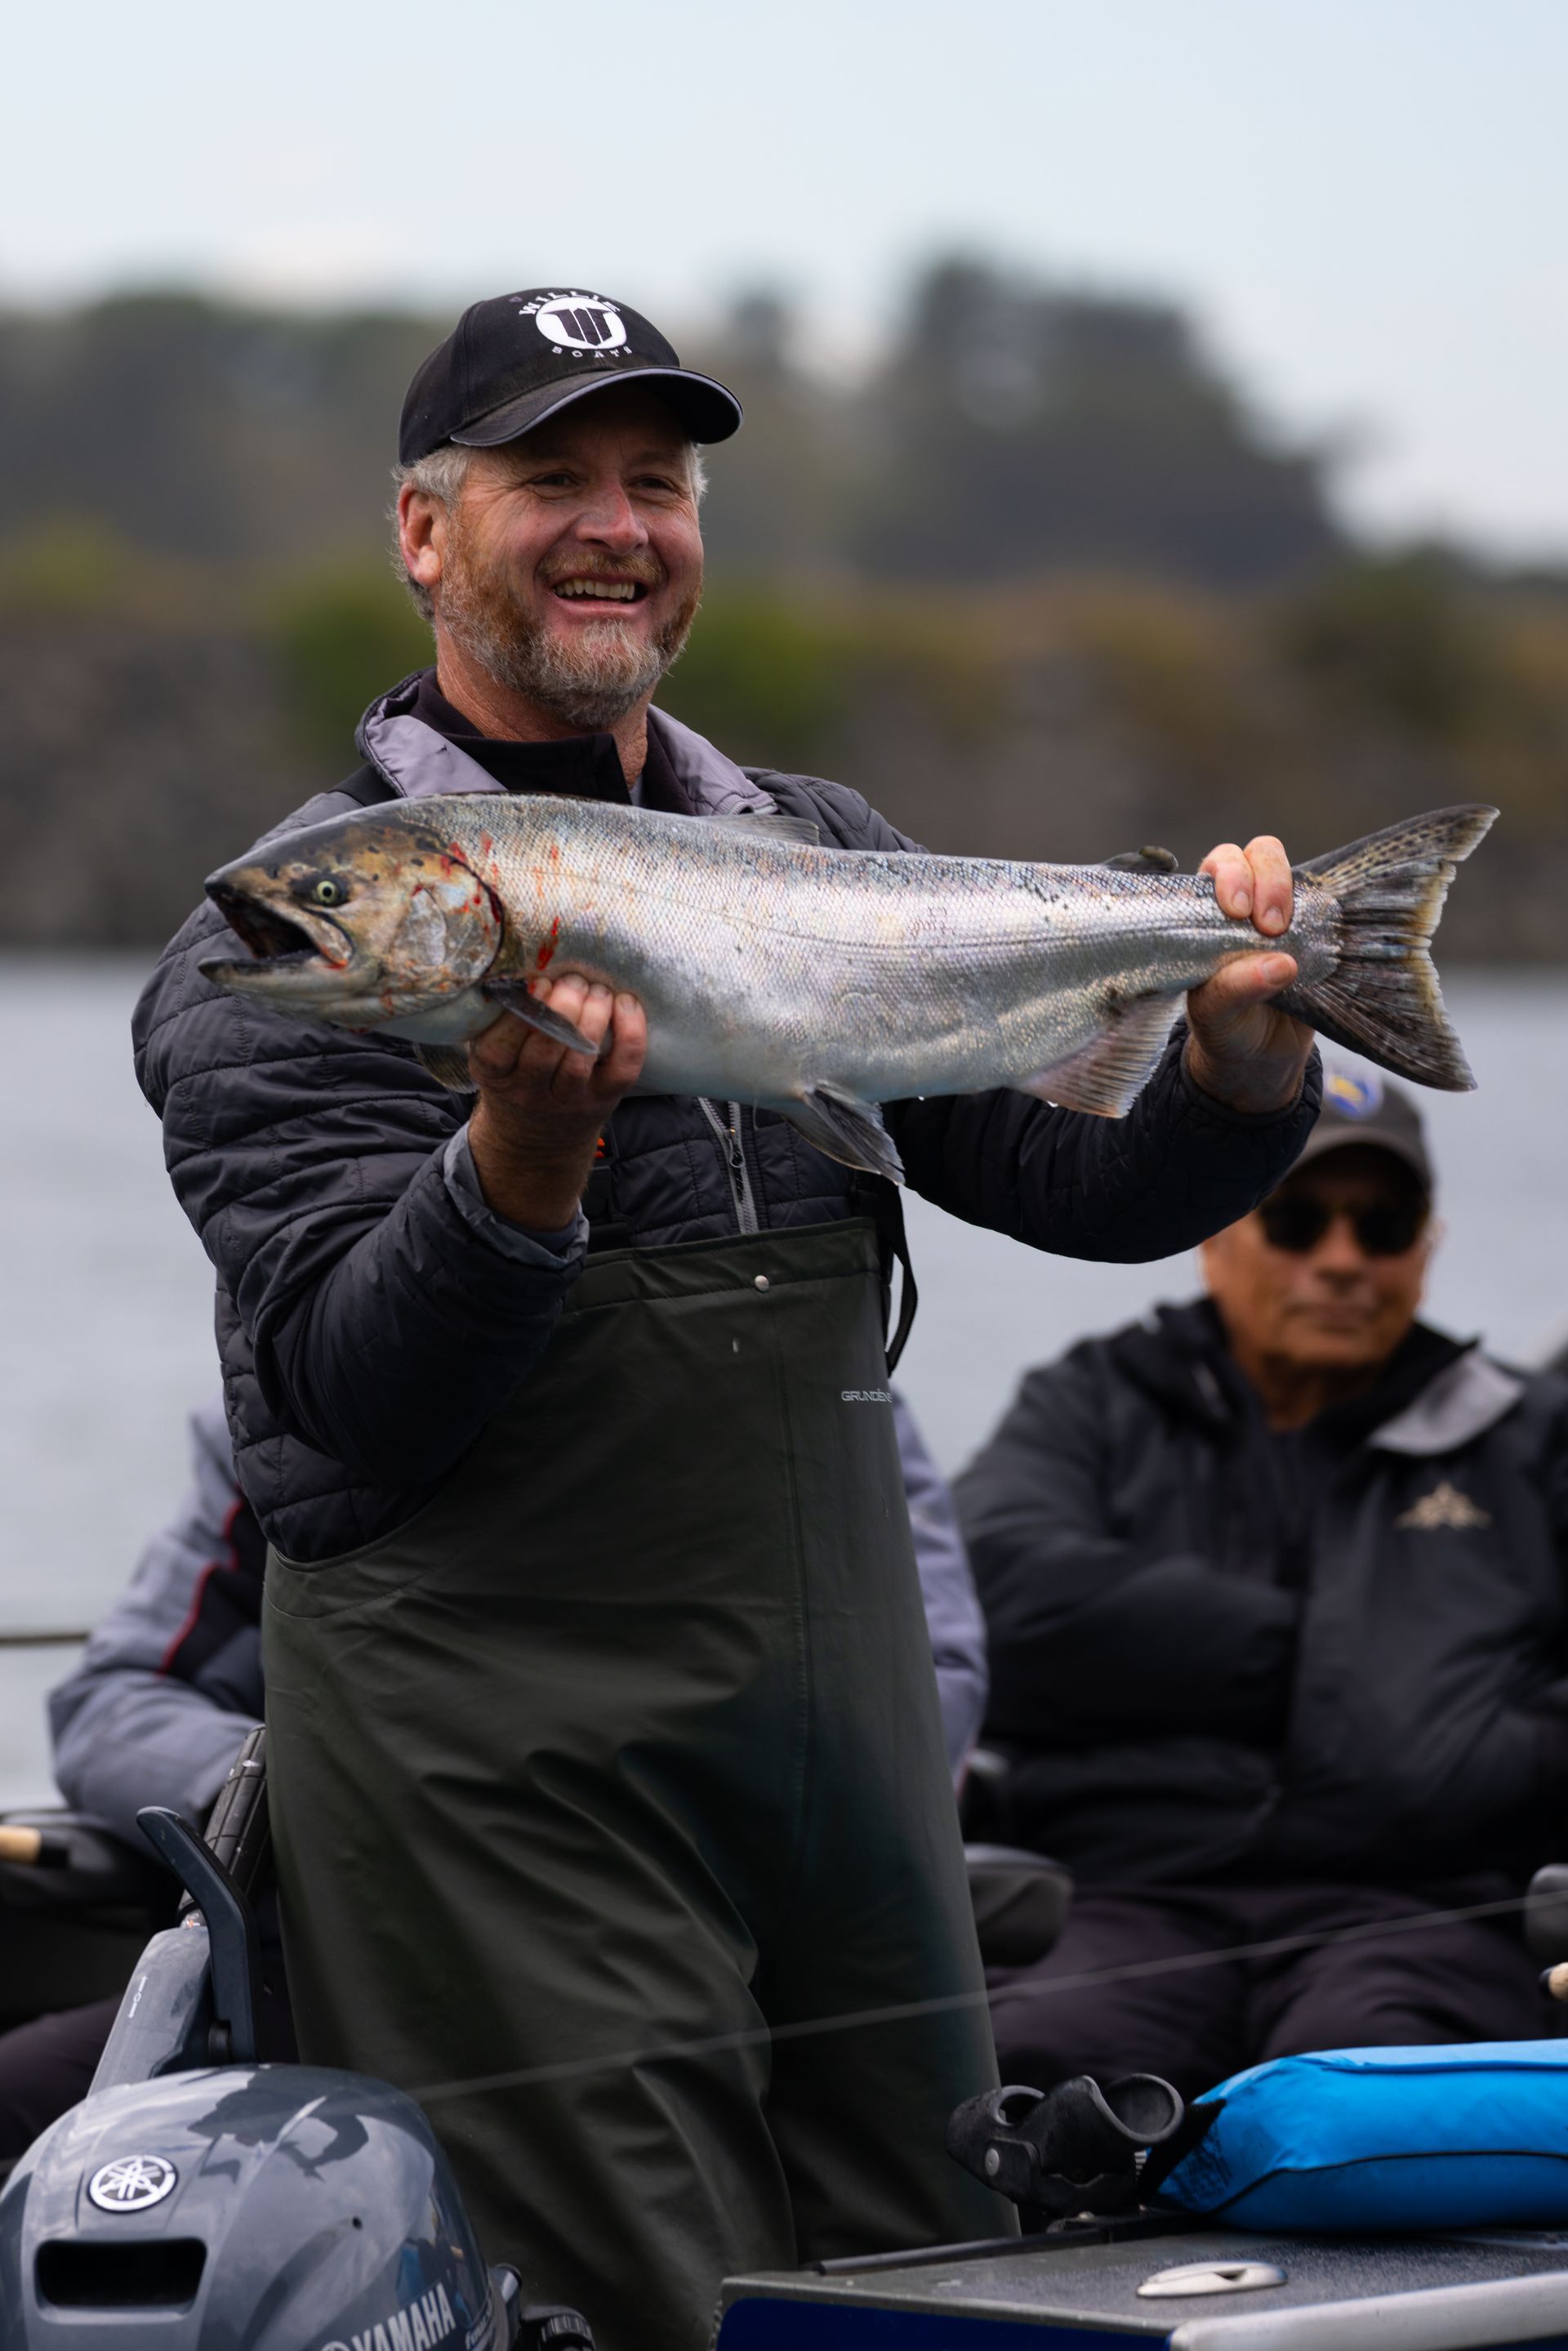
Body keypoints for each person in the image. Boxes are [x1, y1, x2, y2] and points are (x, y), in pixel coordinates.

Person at [133, 283, 1320, 2351]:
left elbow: (1059, 1180)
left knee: (947, 2283)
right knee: (652, 2308)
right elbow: (341, 1393)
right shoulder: (280, 953)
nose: (617, 525)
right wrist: (517, 1168)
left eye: (657, 484)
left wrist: (1233, 1072)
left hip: (844, 1772)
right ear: (423, 534)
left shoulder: (817, 849)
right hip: (510, 1780)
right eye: (552, 482)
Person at [0, 1389, 981, 2161]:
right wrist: (309, 1784)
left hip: (690, 1968)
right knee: (29, 2103)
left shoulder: (804, 1400)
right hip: (334, 1969)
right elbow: (111, 1700)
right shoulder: (285, 1412)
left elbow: (927, 1688)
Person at [958, 1068, 1568, 2105]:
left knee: (1373, 2075)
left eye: (1380, 1224)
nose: (1340, 1261)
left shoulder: (1532, 1437)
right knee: (1045, 2069)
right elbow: (1004, 1597)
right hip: (1126, 1901)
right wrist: (1384, 1679)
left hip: (1422, 1911)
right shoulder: (1092, 1403)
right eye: (1295, 1218)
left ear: (1426, 1247)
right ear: (1214, 1232)